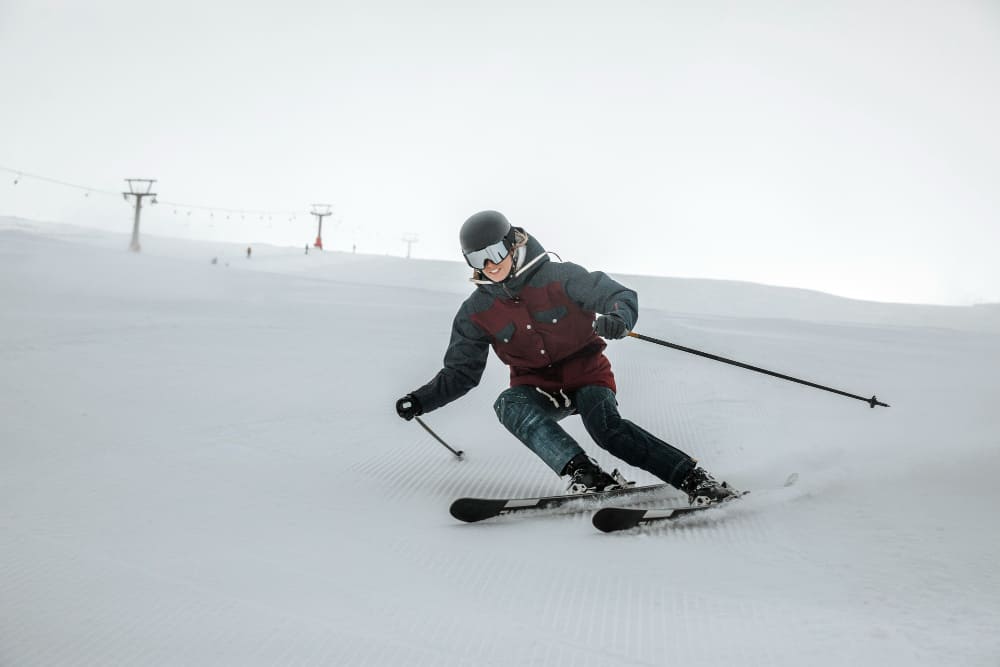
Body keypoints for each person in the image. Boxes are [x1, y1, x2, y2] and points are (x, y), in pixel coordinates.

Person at [395, 211, 739, 503]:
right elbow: (461, 373)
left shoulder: (559, 277)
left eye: (494, 253)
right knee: (508, 404)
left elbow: (618, 294)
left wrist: (618, 319)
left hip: (587, 375)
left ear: (513, 244)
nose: (488, 265)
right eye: (476, 259)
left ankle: (696, 480)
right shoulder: (476, 311)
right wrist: (420, 401)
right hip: (538, 387)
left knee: (606, 429)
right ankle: (587, 475)